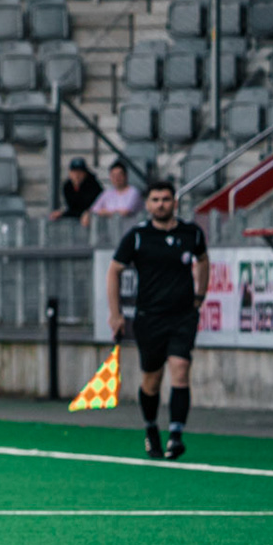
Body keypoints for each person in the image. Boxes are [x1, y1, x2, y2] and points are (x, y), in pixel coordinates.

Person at [107, 178, 208, 460]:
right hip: (149, 318)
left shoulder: (192, 233)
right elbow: (113, 271)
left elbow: (203, 260)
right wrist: (115, 314)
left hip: (182, 316)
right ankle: (151, 428)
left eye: (166, 199)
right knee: (151, 379)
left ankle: (176, 436)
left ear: (175, 202)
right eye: (155, 200)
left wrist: (200, 295)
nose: (161, 204)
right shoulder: (138, 236)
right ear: (148, 204)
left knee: (180, 368)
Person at [52, 158, 104, 224]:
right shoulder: (67, 187)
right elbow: (73, 207)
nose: (77, 175)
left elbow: (88, 207)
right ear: (70, 173)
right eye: (74, 172)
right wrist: (63, 214)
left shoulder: (93, 186)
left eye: (80, 172)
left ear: (85, 174)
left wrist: (64, 214)